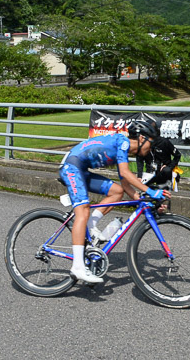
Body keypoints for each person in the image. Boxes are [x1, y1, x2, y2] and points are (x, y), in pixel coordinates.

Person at [57, 120, 166, 284]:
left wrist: (145, 201)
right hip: (71, 166)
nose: (150, 149)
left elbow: (125, 185)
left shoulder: (122, 151)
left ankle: (92, 226)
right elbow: (125, 172)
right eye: (150, 144)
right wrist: (150, 190)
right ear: (142, 138)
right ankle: (78, 267)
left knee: (117, 192)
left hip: (81, 169)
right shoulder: (123, 143)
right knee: (83, 211)